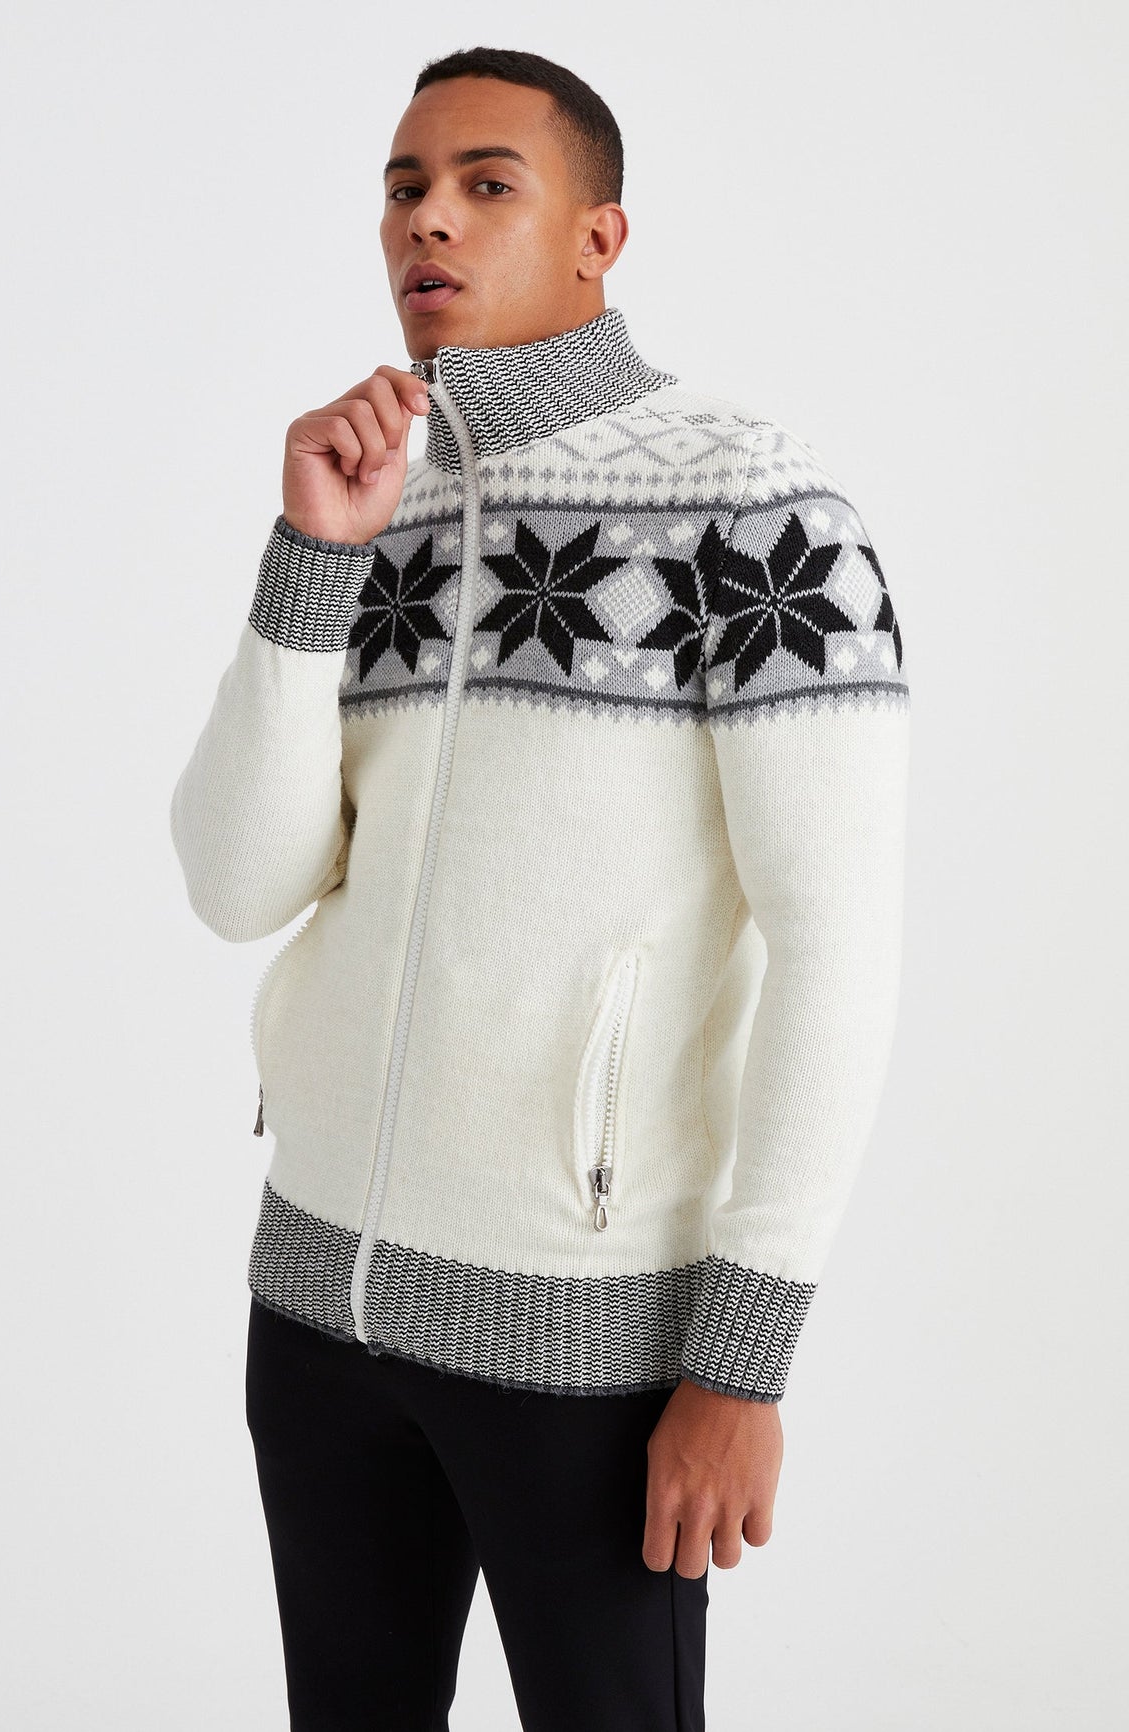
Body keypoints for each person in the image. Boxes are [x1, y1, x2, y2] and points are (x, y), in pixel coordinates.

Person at [169, 43, 911, 1732]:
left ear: (599, 235)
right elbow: (236, 881)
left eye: (485, 184)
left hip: (587, 1337)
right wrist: (311, 561)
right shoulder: (374, 503)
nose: (426, 219)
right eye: (403, 188)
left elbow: (839, 949)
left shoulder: (755, 512)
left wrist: (741, 1363)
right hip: (315, 1305)